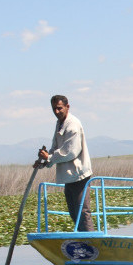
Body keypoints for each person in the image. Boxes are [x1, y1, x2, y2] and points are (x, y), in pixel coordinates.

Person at [37, 95, 95, 231]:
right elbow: (55, 147)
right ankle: (82, 241)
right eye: (54, 109)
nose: (56, 112)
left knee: (82, 211)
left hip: (79, 175)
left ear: (67, 107)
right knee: (73, 212)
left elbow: (70, 152)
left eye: (59, 108)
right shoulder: (60, 123)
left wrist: (50, 158)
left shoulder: (72, 124)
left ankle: (91, 242)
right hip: (69, 177)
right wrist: (44, 161)